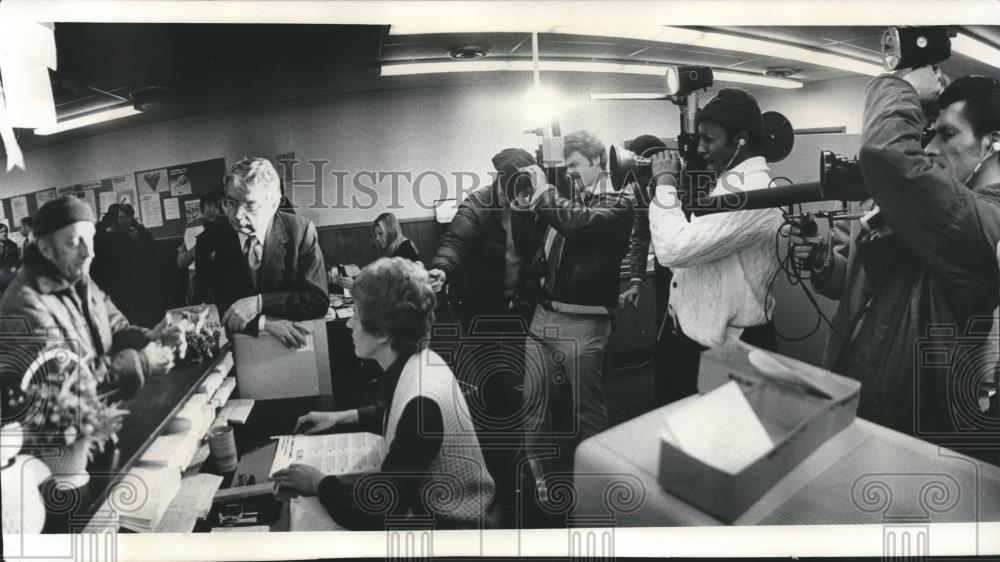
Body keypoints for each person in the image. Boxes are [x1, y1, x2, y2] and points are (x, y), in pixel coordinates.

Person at [791, 70, 1000, 439]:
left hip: (911, 424)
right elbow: (874, 290)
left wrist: (901, 86)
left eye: (948, 134)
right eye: (931, 134)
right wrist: (825, 259)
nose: (932, 148)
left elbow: (887, 154)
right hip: (870, 405)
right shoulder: (947, 215)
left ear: (992, 143)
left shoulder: (986, 221)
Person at [272, 257, 499, 529]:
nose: (349, 325)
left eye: (356, 315)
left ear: (381, 332)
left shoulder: (421, 403)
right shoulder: (418, 360)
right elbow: (392, 412)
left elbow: (374, 511)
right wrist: (340, 418)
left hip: (454, 532)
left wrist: (317, 482)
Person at [426, 147, 540, 521]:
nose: (513, 193)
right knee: (494, 395)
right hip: (482, 311)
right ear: (497, 180)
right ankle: (500, 481)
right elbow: (455, 241)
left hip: (520, 310)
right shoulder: (478, 203)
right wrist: (442, 268)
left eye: (520, 185)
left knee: (522, 389)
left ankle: (523, 471)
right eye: (507, 185)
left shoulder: (531, 201)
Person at [647, 88, 782, 403]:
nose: (702, 149)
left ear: (742, 139)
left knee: (723, 446)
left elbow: (672, 249)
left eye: (710, 139)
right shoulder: (728, 185)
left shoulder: (757, 192)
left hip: (731, 349)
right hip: (695, 342)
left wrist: (664, 185)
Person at [518, 130, 634, 474]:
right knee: (531, 402)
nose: (569, 173)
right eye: (565, 167)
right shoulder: (567, 200)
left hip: (584, 323)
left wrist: (543, 191)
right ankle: (535, 473)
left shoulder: (619, 203)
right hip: (543, 318)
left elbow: (579, 224)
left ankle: (596, 481)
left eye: (575, 165)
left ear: (598, 161)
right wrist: (527, 203)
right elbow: (532, 247)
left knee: (588, 411)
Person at [0, 196, 176, 399]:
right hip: (68, 425)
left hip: (101, 412)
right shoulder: (24, 303)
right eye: (75, 241)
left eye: (90, 238)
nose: (89, 252)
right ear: (46, 249)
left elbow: (115, 327)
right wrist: (142, 362)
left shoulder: (79, 278)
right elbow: (64, 379)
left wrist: (149, 338)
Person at [196, 157, 328, 348]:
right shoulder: (209, 240)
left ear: (274, 203)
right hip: (236, 348)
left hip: (292, 346)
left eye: (249, 205)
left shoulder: (300, 231)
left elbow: (317, 300)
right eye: (231, 203)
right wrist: (263, 323)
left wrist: (259, 303)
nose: (238, 215)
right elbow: (206, 309)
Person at [616, 134, 688, 408]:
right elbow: (640, 235)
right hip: (664, 271)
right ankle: (665, 400)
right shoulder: (638, 190)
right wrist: (635, 282)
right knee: (665, 339)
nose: (643, 181)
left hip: (688, 265)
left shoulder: (684, 184)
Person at [177, 190, 224, 304]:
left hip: (222, 283)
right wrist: (196, 250)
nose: (211, 209)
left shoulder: (230, 228)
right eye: (208, 205)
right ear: (203, 206)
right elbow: (180, 263)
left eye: (216, 206)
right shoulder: (191, 228)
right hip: (196, 283)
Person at [0, 222, 21, 295]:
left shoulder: (13, 245)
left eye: (6, 231)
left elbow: (18, 262)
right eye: (1, 232)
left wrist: (15, 268)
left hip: (11, 276)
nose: (4, 233)